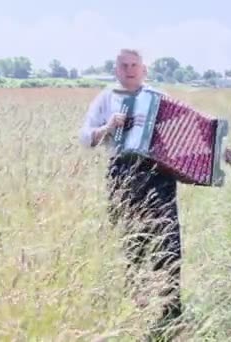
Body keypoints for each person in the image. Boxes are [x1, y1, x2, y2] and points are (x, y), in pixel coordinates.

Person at [79, 48, 185, 334]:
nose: (129, 70)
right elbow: (85, 137)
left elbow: (187, 132)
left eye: (134, 65)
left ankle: (171, 318)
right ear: (116, 69)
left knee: (168, 246)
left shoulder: (160, 98)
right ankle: (135, 315)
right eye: (124, 65)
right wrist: (107, 127)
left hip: (158, 177)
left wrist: (220, 153)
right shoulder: (106, 97)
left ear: (144, 69)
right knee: (132, 246)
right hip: (122, 175)